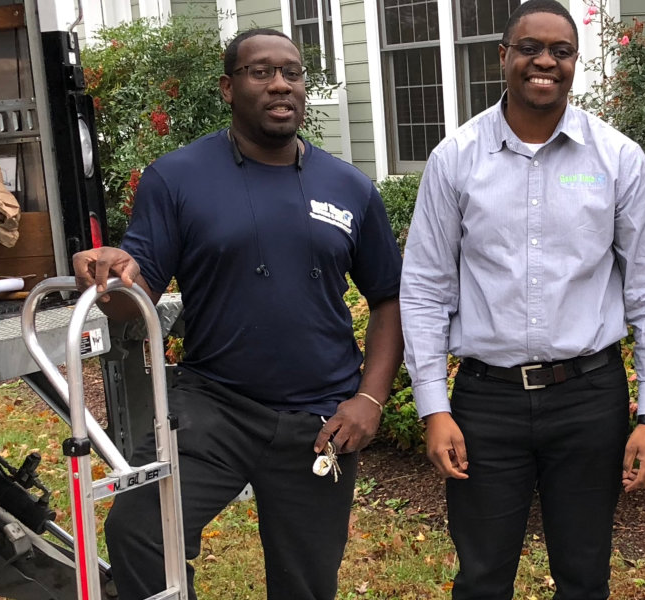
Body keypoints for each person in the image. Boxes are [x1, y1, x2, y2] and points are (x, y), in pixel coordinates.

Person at [76, 28, 403, 600]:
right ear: (229, 87)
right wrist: (108, 275)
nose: (280, 85)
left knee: (306, 585)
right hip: (214, 408)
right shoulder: (176, 178)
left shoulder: (349, 187)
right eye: (261, 72)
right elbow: (134, 305)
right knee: (141, 532)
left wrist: (369, 400)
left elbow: (389, 299)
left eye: (293, 73)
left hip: (318, 419)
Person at [397, 1, 645, 598]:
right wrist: (433, 405)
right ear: (503, 56)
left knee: (584, 574)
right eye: (530, 48)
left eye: (561, 51)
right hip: (485, 403)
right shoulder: (457, 158)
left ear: (576, 63)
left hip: (588, 398)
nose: (545, 62)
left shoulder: (617, 158)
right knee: (481, 576)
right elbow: (423, 287)